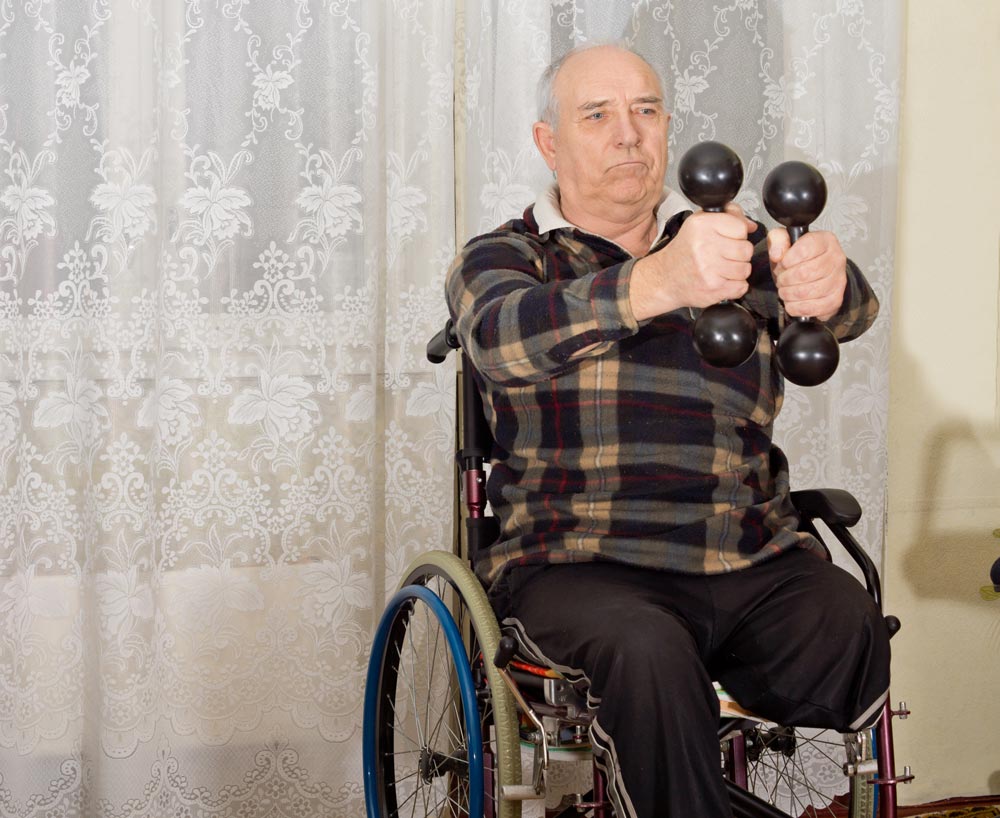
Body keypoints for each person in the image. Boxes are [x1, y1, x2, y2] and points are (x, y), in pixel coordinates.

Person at [446, 42, 889, 818]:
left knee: (844, 618)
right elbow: (498, 338)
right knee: (647, 654)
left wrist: (829, 277)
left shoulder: (728, 248)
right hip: (579, 564)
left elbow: (850, 314)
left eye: (646, 112)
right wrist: (657, 283)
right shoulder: (509, 256)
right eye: (598, 115)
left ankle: (690, 787)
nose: (629, 134)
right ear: (549, 141)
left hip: (743, 552)